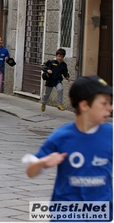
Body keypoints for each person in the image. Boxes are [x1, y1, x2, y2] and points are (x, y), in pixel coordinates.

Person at [22, 75, 112, 220]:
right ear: (84, 105)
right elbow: (30, 172)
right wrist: (43, 163)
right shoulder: (62, 136)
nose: (111, 108)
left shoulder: (110, 134)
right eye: (105, 103)